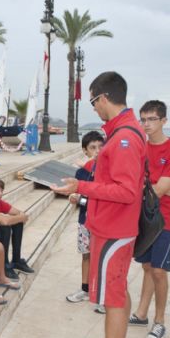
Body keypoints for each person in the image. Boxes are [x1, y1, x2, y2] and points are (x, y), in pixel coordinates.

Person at [50, 71, 146, 338]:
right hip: (112, 225)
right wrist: (84, 189)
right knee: (118, 289)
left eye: (93, 101)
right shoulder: (123, 131)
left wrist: (83, 186)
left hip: (114, 229)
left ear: (103, 98)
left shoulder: (123, 138)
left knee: (113, 297)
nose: (94, 108)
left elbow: (127, 191)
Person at [128, 100, 170, 338]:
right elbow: (136, 184)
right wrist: (153, 187)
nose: (146, 124)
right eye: (143, 119)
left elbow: (160, 190)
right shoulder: (140, 148)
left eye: (151, 119)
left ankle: (160, 321)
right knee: (147, 267)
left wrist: (151, 187)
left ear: (163, 121)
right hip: (143, 218)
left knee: (159, 271)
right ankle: (141, 313)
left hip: (164, 220)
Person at [63, 131, 105, 314]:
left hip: (102, 222)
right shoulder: (80, 172)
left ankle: (103, 296)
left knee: (102, 258)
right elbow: (78, 194)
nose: (97, 151)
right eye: (92, 148)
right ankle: (85, 289)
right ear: (85, 151)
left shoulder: (106, 171)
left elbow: (100, 198)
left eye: (100, 146)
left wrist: (80, 199)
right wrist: (74, 197)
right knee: (86, 255)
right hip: (84, 220)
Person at [0, 175, 34, 279]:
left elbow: (20, 213)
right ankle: (4, 264)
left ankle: (16, 260)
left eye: (1, 190)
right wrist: (19, 217)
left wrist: (20, 217)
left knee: (17, 223)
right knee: (5, 227)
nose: (0, 193)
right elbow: (5, 221)